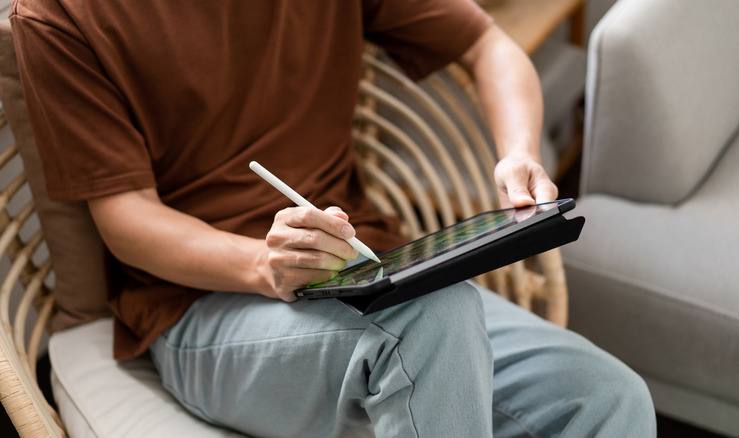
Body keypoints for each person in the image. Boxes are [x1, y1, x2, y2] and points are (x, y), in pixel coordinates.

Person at [11, 0, 655, 436]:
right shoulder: (59, 16)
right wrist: (265, 266)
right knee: (434, 319)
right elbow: (126, 220)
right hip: (201, 304)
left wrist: (517, 151)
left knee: (607, 398)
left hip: (373, 269)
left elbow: (488, 44)